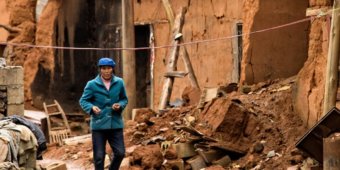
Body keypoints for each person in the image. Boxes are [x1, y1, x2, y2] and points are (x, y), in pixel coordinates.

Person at [79, 57, 128, 170]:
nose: (106, 71)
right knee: (99, 157)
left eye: (109, 68)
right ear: (100, 69)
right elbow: (83, 100)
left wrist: (119, 105)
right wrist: (92, 107)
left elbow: (124, 99)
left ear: (112, 69)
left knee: (120, 153)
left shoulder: (119, 82)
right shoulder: (92, 84)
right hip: (99, 125)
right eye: (104, 68)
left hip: (115, 124)